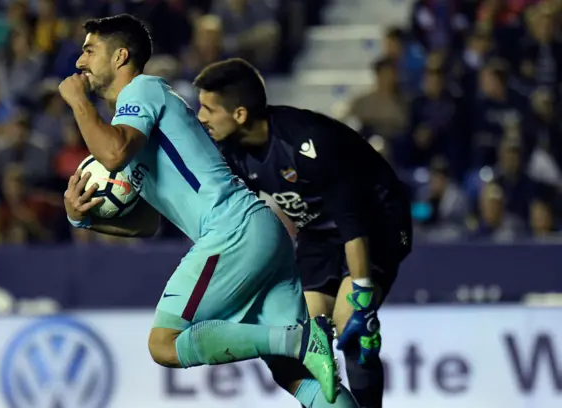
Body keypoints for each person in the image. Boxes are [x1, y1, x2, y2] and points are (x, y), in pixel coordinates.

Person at [58, 14, 358, 407]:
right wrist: (83, 216)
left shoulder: (141, 91)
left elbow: (111, 153)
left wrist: (78, 102)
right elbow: (146, 224)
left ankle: (301, 339)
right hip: (258, 231)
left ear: (120, 57)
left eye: (89, 50)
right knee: (295, 374)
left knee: (164, 344)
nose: (80, 62)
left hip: (230, 230)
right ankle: (301, 347)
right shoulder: (133, 127)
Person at [194, 58, 413, 408]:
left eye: (208, 108)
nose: (201, 117)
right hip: (317, 232)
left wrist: (363, 296)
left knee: (353, 326)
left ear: (239, 114)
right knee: (301, 342)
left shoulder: (309, 143)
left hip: (376, 224)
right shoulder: (231, 151)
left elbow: (354, 225)